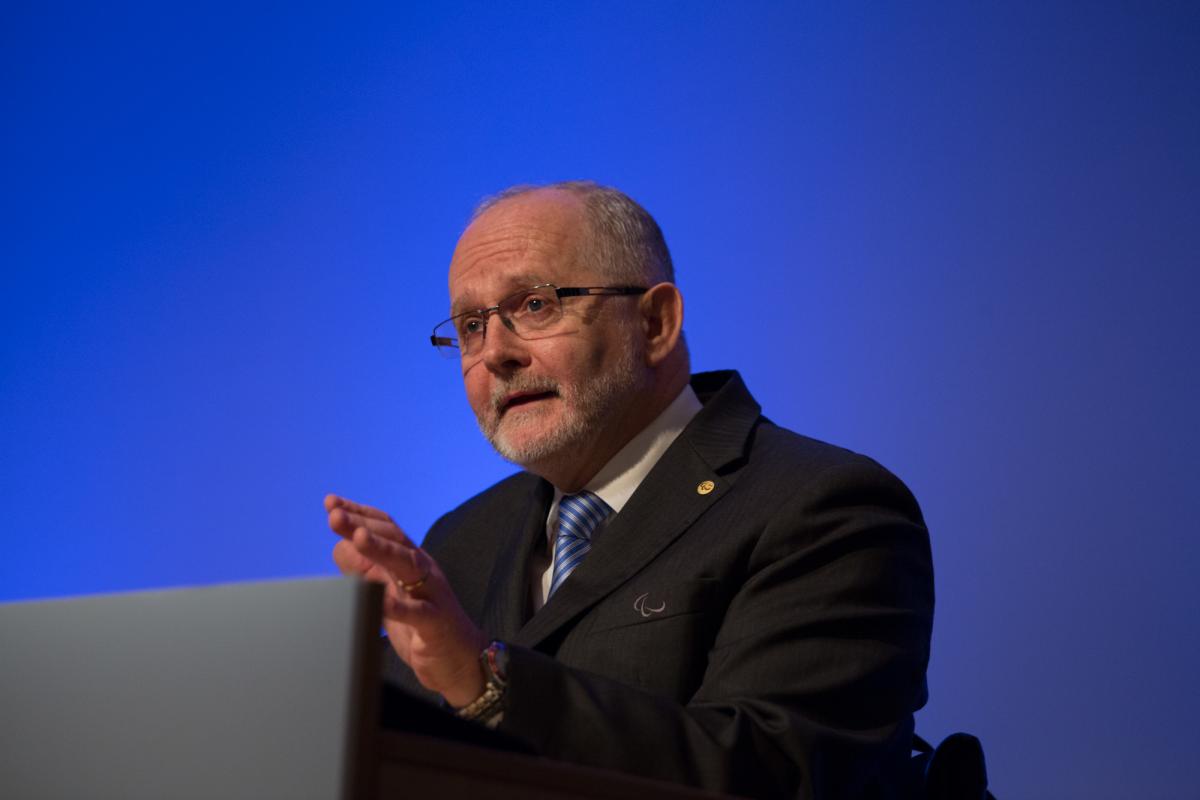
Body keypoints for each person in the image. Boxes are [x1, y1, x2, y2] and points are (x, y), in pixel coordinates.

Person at [325, 181, 935, 799]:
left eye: (535, 305)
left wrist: (486, 681)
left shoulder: (825, 508)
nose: (495, 355)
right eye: (472, 325)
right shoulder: (460, 542)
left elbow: (771, 773)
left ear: (655, 321)